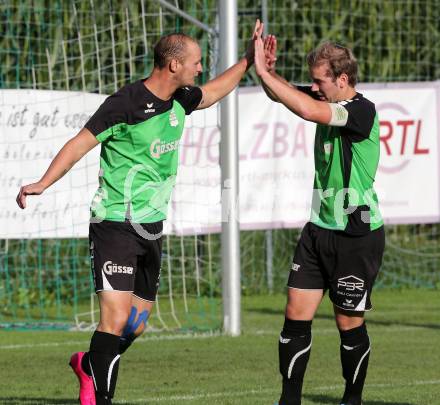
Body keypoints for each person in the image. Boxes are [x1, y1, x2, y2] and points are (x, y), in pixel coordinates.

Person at [16, 21, 263, 405]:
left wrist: (249, 59)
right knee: (113, 321)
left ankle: (89, 364)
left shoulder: (181, 100)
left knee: (136, 323)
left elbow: (214, 92)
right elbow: (78, 144)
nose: (200, 70)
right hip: (114, 223)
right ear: (173, 65)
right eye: (196, 63)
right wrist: (42, 183)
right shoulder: (125, 104)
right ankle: (100, 396)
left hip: (151, 227)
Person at [254, 34, 385, 405]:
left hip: (356, 233)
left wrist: (267, 73)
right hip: (318, 228)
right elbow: (280, 95)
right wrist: (269, 72)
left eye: (320, 81)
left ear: (342, 80)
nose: (313, 87)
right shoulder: (326, 98)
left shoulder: (361, 111)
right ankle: (289, 400)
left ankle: (352, 399)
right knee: (295, 314)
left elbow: (309, 110)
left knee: (348, 322)